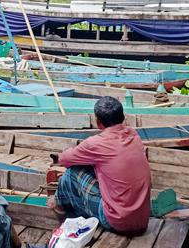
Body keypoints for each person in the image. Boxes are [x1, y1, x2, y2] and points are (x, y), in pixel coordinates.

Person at [48, 96, 152, 234]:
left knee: (71, 174)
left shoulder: (96, 143)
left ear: (98, 122)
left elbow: (65, 160)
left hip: (117, 221)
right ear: (123, 117)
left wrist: (59, 158)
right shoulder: (134, 135)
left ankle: (59, 207)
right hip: (143, 219)